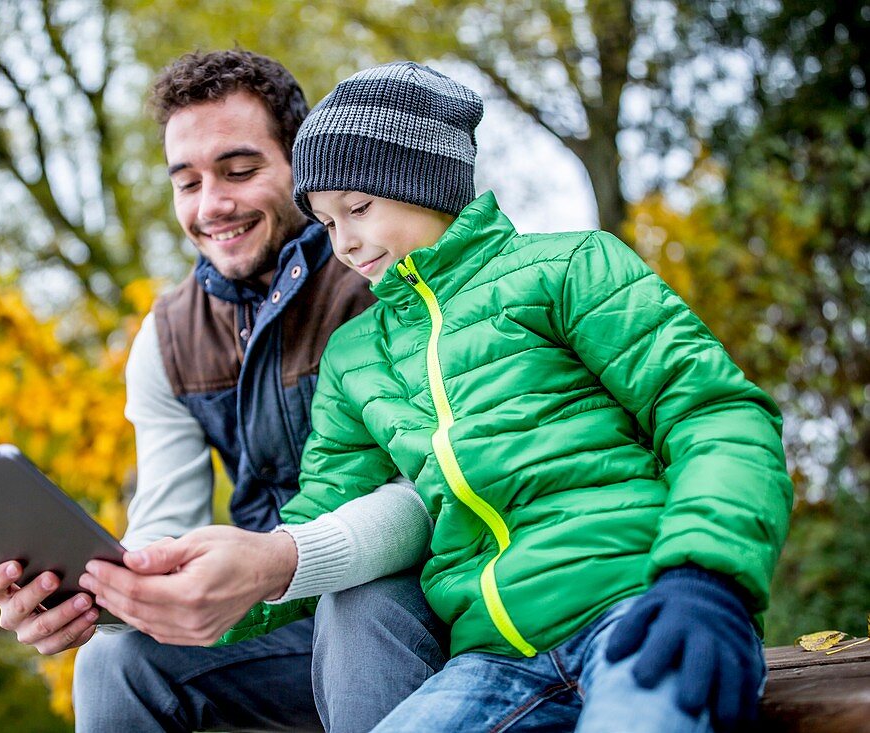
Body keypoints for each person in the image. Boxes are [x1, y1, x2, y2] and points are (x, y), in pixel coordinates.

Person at [220, 61, 794, 732]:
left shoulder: (569, 268)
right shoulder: (356, 356)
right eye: (324, 222)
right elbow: (324, 512)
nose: (342, 242)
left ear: (423, 183)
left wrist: (707, 578)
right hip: (493, 661)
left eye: (358, 208)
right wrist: (229, 584)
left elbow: (714, 412)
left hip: (642, 610)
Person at [0, 50, 447, 732]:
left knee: (360, 602)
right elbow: (164, 522)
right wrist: (107, 597)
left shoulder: (386, 280)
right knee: (116, 660)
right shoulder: (168, 336)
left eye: (239, 170)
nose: (211, 206)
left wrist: (284, 560)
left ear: (301, 166)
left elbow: (443, 486)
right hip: (279, 623)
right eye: (187, 183)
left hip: (422, 603)